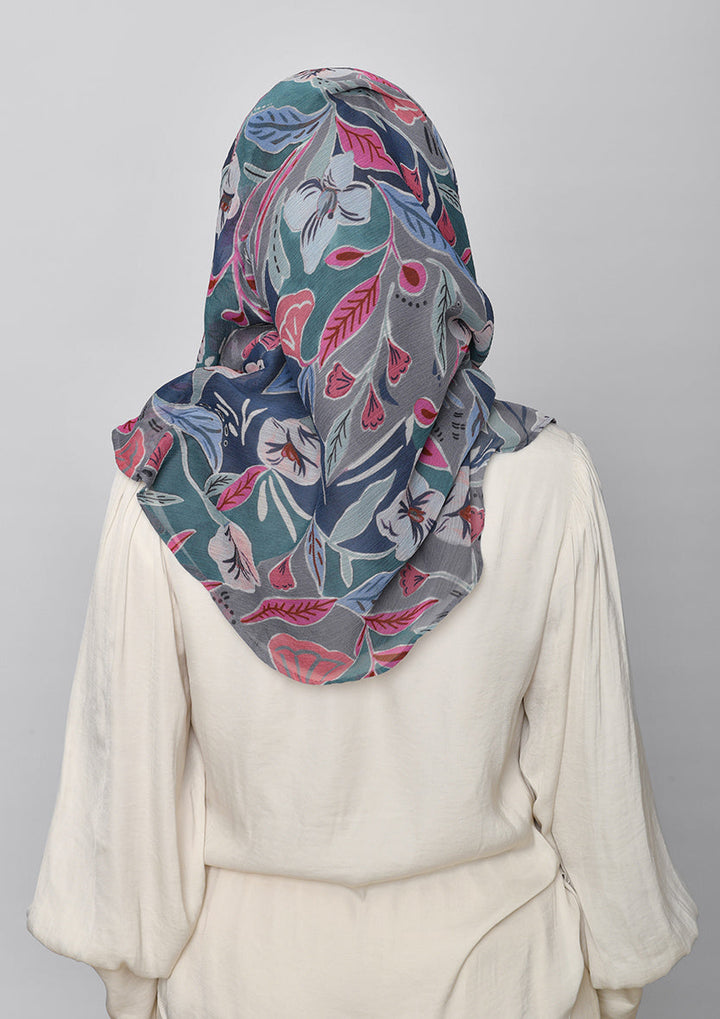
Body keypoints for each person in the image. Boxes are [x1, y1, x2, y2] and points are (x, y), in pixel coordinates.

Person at [27, 67, 698, 1018]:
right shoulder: (546, 479)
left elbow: (127, 859)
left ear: (250, 241)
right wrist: (616, 986)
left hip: (246, 989)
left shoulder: (166, 488)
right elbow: (602, 811)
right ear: (434, 228)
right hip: (505, 982)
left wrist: (137, 993)